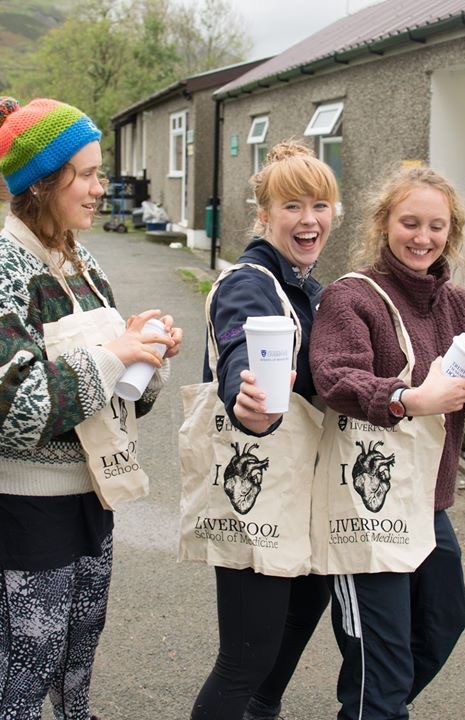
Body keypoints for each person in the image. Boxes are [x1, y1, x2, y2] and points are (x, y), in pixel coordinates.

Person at [0, 96, 182, 719]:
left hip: (93, 495)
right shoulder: (6, 265)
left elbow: (121, 394)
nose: (101, 187)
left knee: (79, 655)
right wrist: (114, 354)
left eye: (100, 172)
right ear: (43, 183)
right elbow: (14, 408)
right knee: (23, 672)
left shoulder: (81, 260)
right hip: (27, 510)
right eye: (87, 174)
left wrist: (146, 354)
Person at [309, 164, 465, 719]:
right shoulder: (351, 297)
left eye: (436, 225)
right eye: (410, 222)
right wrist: (410, 398)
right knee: (379, 663)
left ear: (450, 231)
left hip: (427, 505)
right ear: (384, 223)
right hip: (366, 507)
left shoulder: (460, 305)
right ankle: (374, 708)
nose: (423, 237)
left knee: (442, 623)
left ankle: (374, 706)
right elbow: (335, 376)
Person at [190, 141, 338, 720]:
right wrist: (245, 399)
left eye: (320, 205)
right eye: (293, 206)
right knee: (244, 657)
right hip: (257, 487)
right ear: (264, 214)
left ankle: (262, 711)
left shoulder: (309, 287)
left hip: (303, 488)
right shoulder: (250, 283)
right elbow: (237, 350)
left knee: (299, 616)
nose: (309, 220)